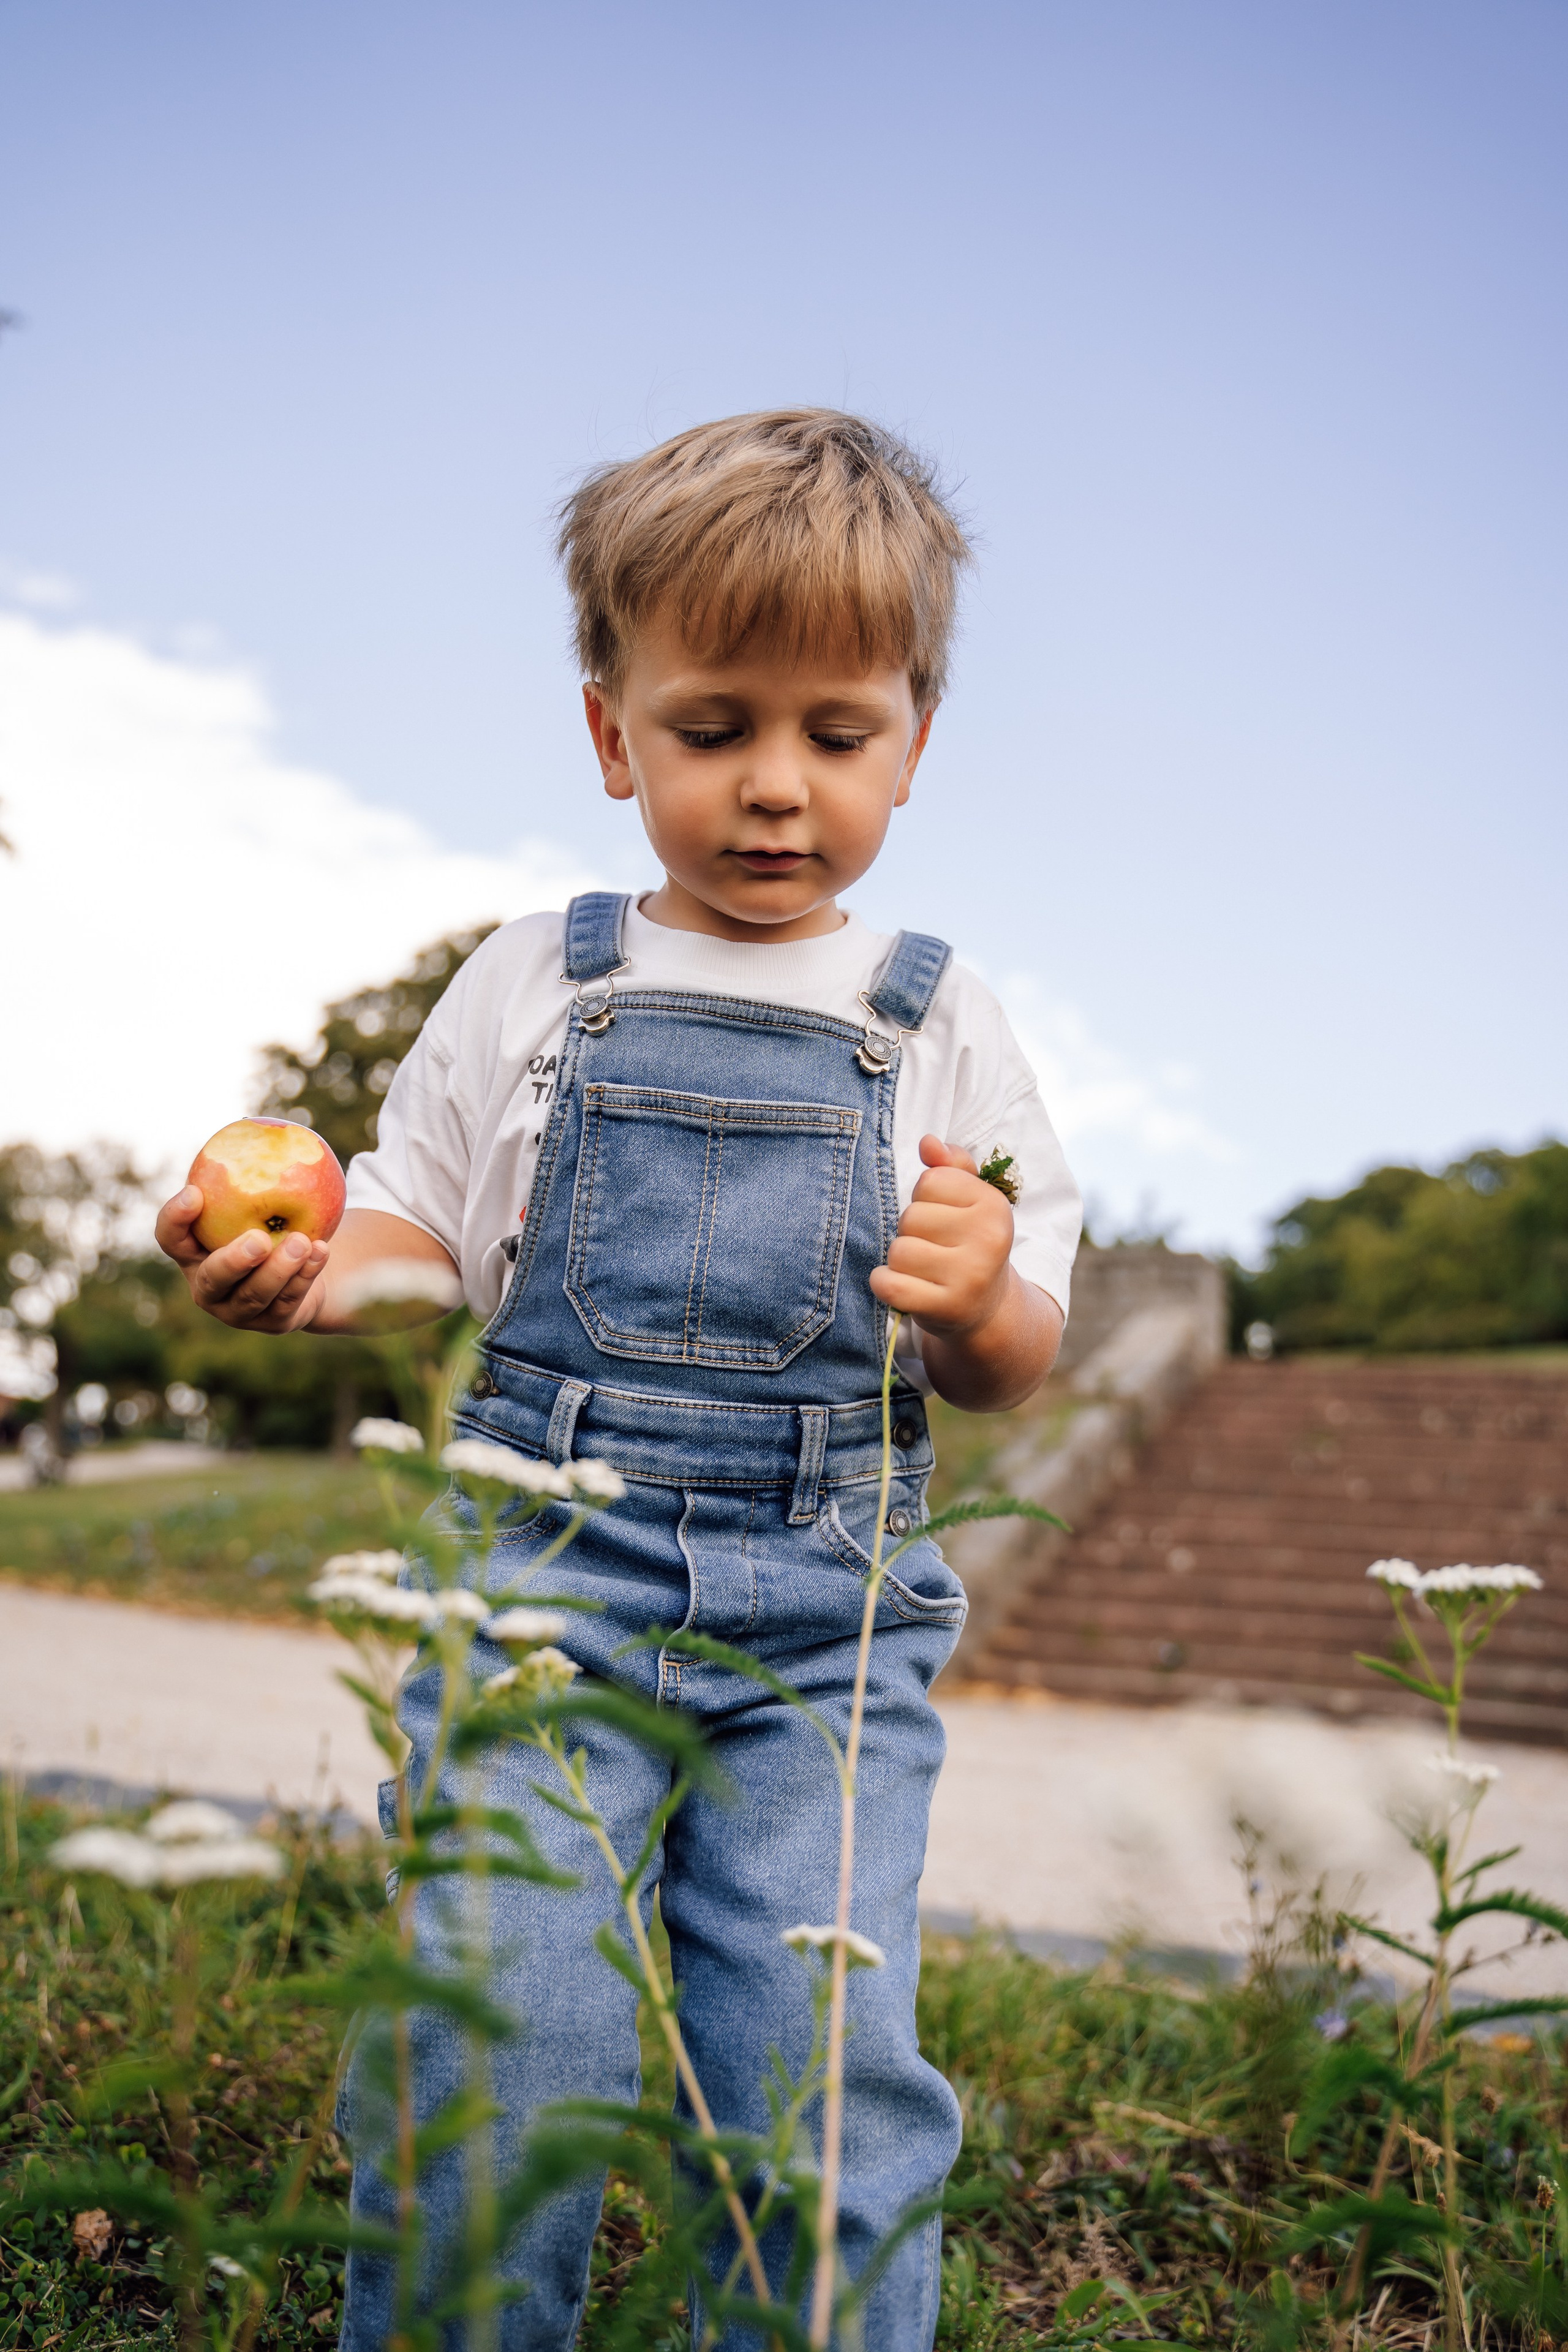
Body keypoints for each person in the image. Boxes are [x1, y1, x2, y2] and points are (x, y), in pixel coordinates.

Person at [157, 410, 1081, 2349]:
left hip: (824, 1622)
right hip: (536, 1588)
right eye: (711, 726)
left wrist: (978, 1298)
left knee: (821, 2078)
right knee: (503, 2042)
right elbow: (422, 1234)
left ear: (916, 742)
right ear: (611, 736)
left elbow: (1013, 1359)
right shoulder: (533, 979)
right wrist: (314, 1282)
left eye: (836, 735)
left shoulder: (944, 1024)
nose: (773, 788)